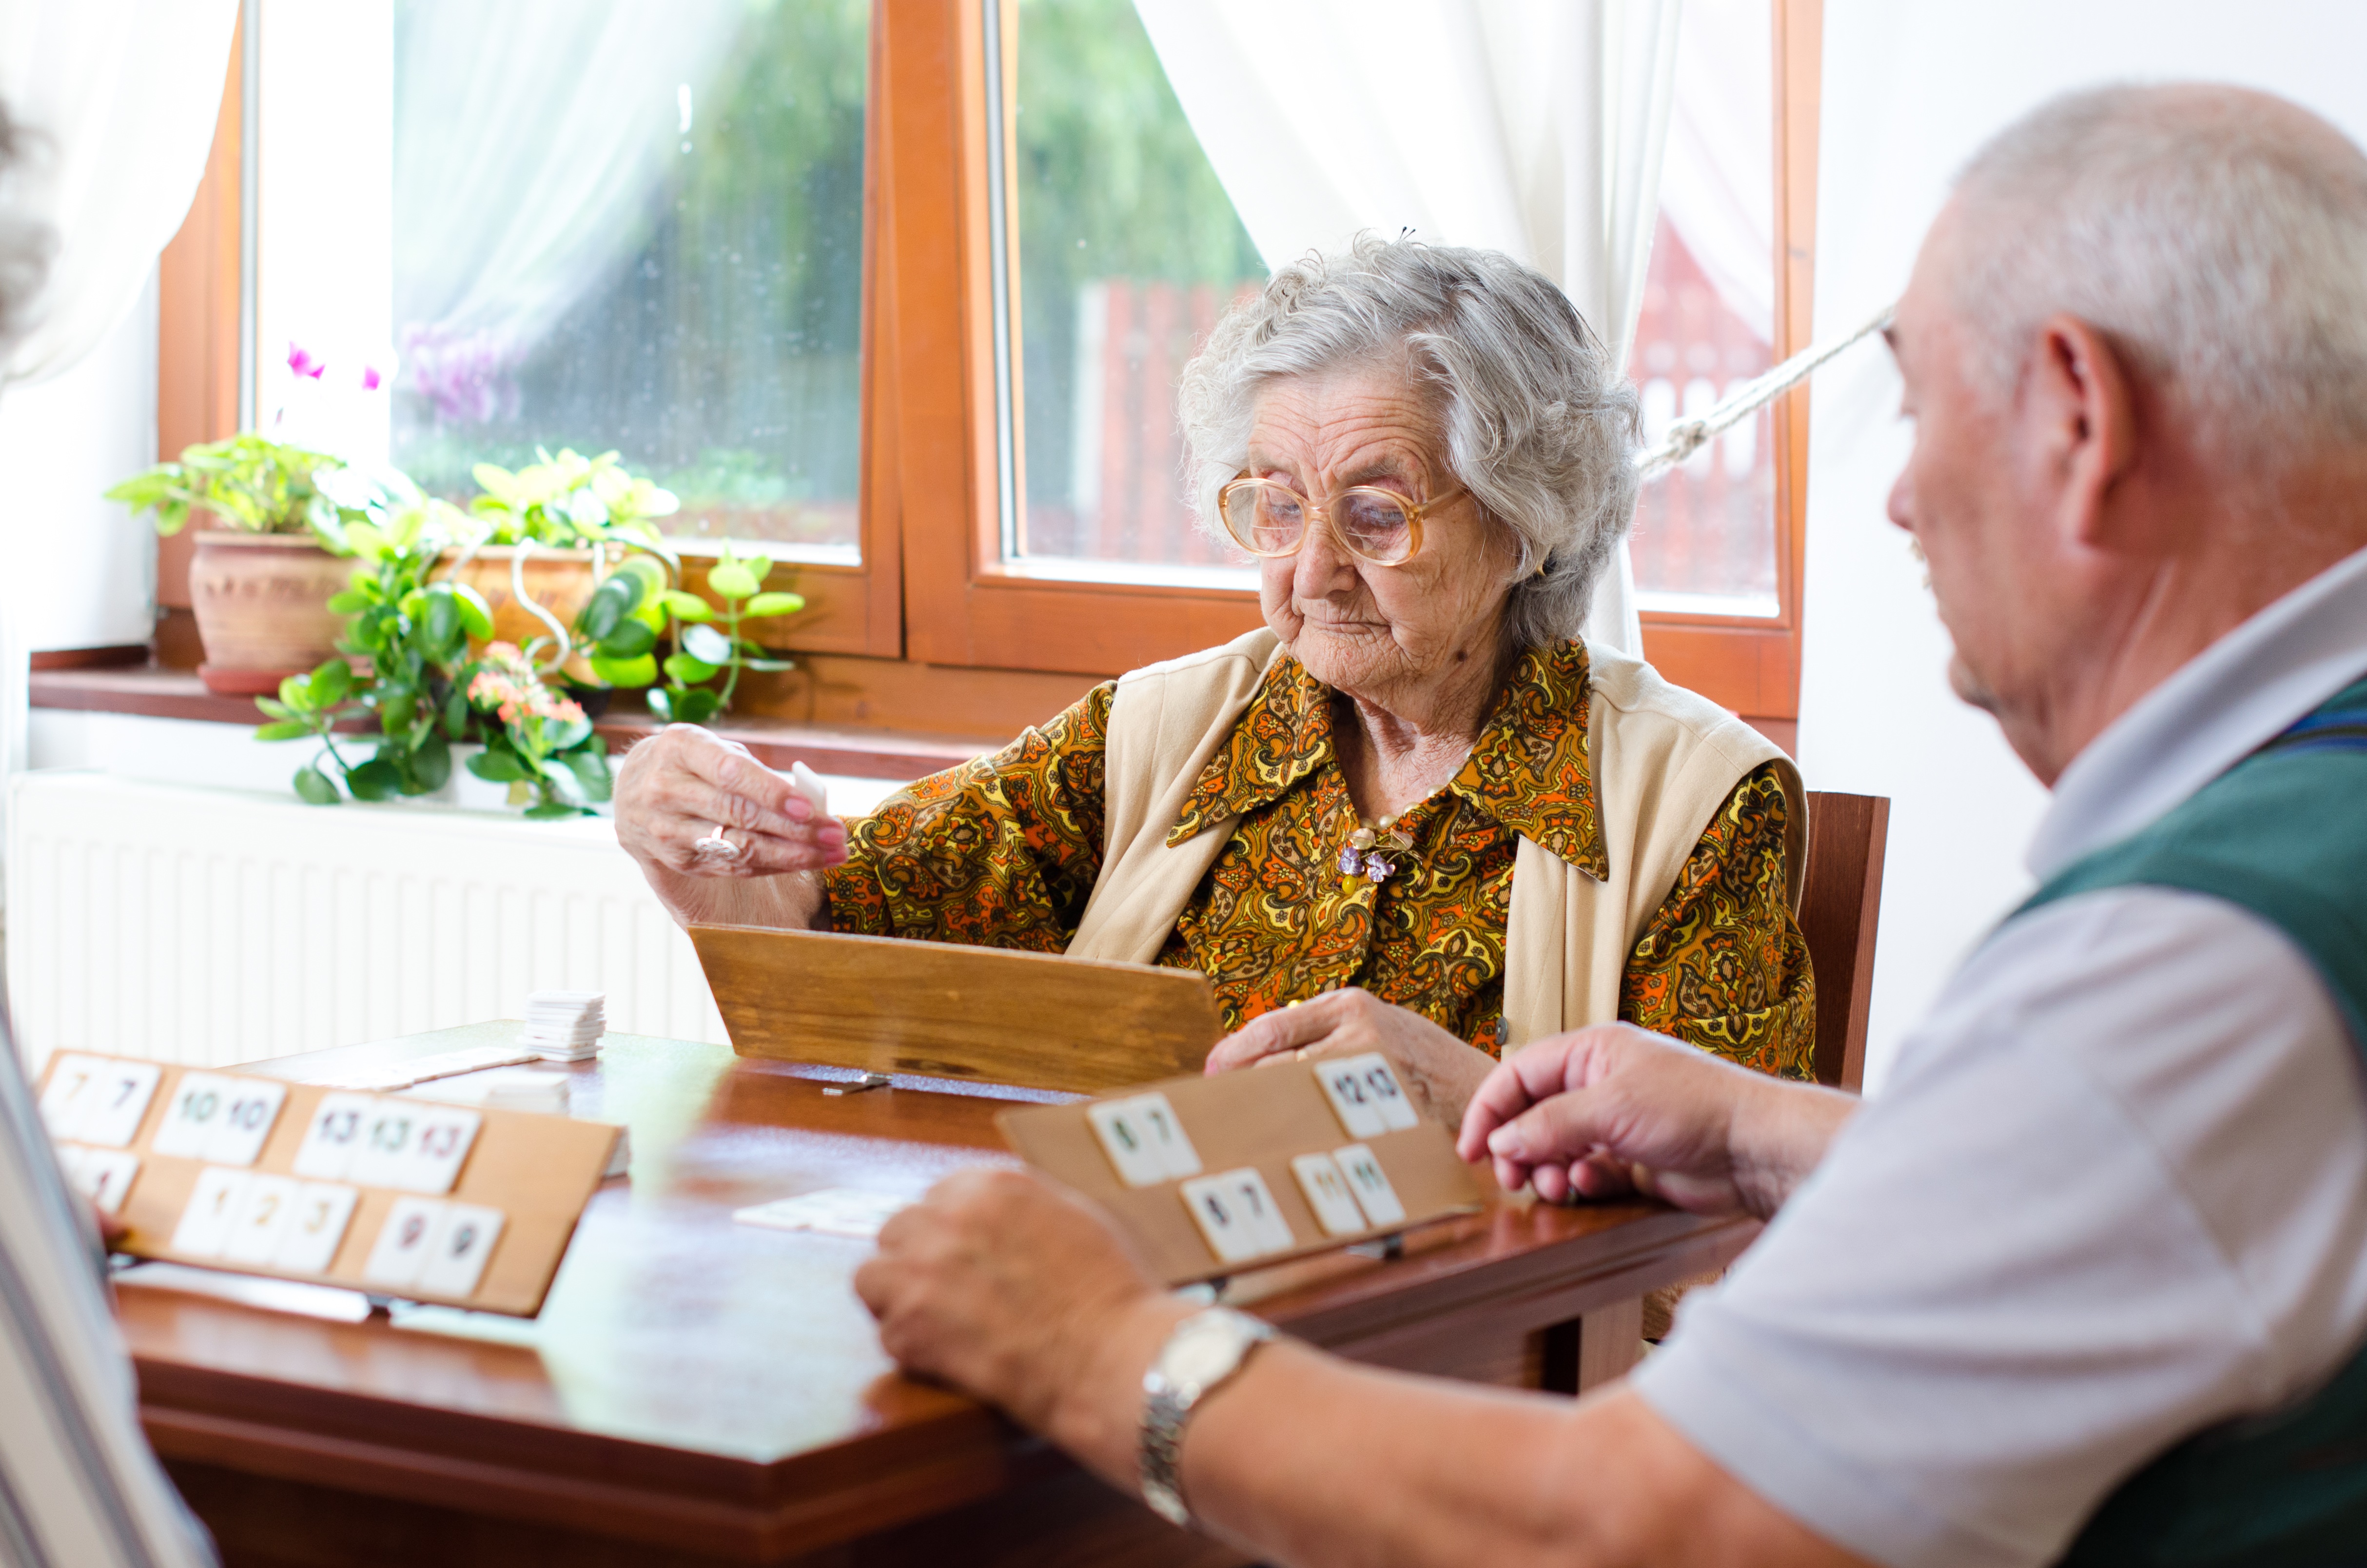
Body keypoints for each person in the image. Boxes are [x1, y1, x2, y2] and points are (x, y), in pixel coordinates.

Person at [852, 82, 2367, 1568]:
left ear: (2081, 417)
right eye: (1275, 507)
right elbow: (2085, 1208)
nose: (1900, 501)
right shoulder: (2294, 852)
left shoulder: (2202, 951)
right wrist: (1763, 1127)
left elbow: (1649, 1527)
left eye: (1917, 411)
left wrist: (1100, 1349)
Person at [617, 238, 1816, 1125]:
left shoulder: (1692, 805)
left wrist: (1478, 1109)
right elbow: (843, 925)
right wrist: (709, 853)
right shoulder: (1162, 733)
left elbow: (1734, 1231)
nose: (1312, 570)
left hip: (1457, 1399)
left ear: (1529, 524)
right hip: (1121, 1330)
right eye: (1277, 506)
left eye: (1375, 513)